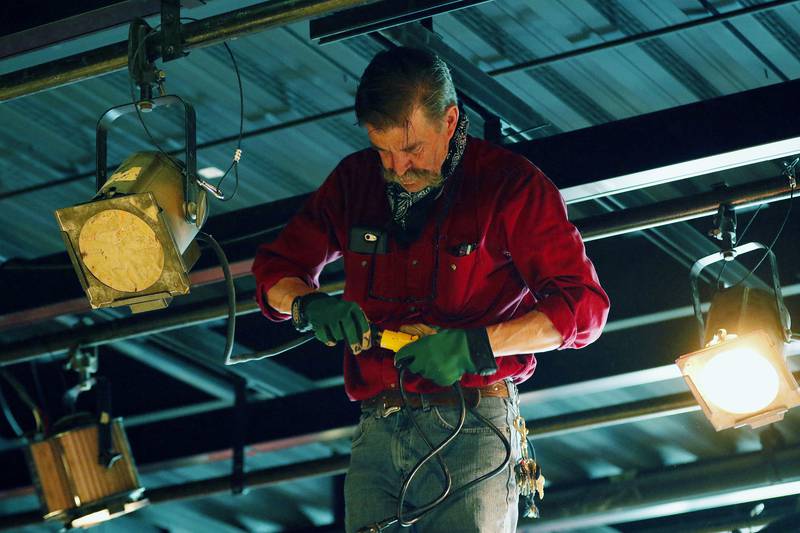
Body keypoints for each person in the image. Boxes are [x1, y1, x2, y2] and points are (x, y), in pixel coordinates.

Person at [252, 47, 609, 532]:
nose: (397, 167)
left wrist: (474, 346)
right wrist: (307, 303)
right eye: (383, 152)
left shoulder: (511, 186)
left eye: (412, 149)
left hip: (474, 425)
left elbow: (582, 308)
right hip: (376, 428)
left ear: (450, 120)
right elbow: (275, 271)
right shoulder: (354, 181)